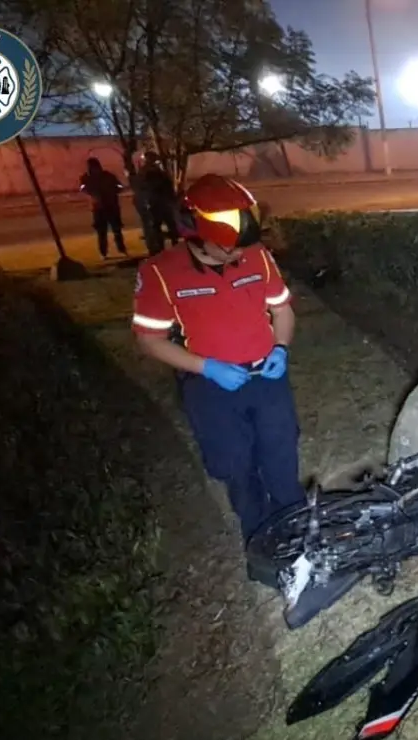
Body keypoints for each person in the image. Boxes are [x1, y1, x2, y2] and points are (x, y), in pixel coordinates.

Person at [130, 174, 306, 549]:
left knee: (282, 464)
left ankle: (299, 535)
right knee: (238, 471)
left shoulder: (257, 255)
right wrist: (206, 367)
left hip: (266, 378)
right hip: (211, 389)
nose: (238, 255)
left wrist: (281, 348)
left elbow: (282, 310)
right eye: (227, 249)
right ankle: (260, 546)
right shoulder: (160, 272)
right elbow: (150, 339)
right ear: (194, 233)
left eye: (241, 247)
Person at [79, 157, 128, 259]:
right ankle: (104, 252)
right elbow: (83, 188)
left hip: (111, 206)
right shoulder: (87, 178)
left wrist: (113, 192)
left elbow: (119, 186)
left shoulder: (108, 176)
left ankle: (121, 250)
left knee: (116, 230)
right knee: (102, 232)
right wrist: (93, 194)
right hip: (99, 208)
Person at [138, 152, 180, 255]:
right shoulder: (147, 172)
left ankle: (170, 246)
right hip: (156, 203)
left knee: (168, 225)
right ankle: (160, 248)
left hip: (161, 203)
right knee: (158, 227)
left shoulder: (157, 170)